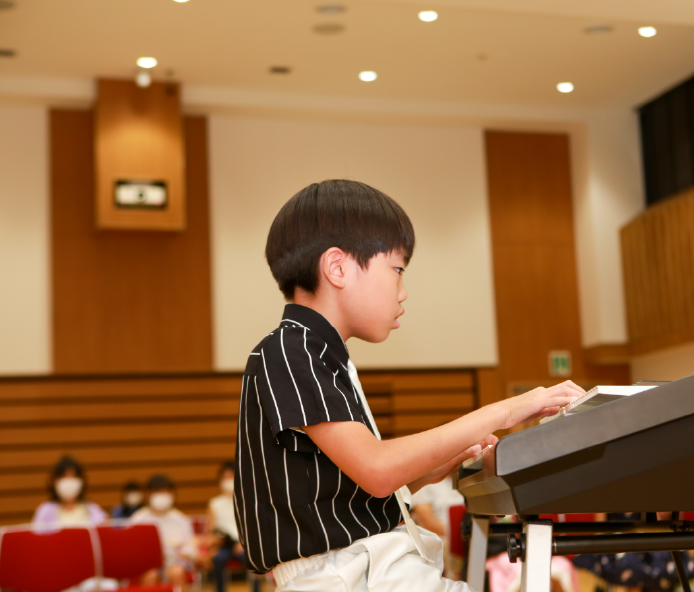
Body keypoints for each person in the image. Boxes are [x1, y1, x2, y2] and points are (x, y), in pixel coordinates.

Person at [233, 180, 584, 592]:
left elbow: (338, 491)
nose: (403, 292)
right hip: (347, 576)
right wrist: (507, 409)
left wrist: (437, 464)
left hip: (363, 569)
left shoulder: (318, 353)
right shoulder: (291, 352)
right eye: (397, 270)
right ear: (338, 267)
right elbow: (378, 470)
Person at [129, 474, 197, 588]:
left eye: (165, 491)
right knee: (150, 575)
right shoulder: (137, 519)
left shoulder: (181, 519)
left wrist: (185, 553)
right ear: (148, 494)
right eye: (157, 491)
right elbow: (130, 547)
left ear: (173, 494)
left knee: (177, 573)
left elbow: (189, 545)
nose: (161, 495)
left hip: (175, 562)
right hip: (147, 565)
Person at [207, 462, 259, 592]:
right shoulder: (214, 503)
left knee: (253, 560)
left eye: (232, 477)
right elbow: (211, 529)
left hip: (245, 544)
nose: (228, 481)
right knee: (218, 559)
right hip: (224, 544)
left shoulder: (249, 501)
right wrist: (213, 545)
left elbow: (254, 527)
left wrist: (244, 544)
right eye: (225, 477)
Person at [33, 455, 107, 526]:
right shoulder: (45, 511)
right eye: (64, 476)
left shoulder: (92, 510)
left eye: (74, 476)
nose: (69, 480)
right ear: (54, 481)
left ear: (82, 481)